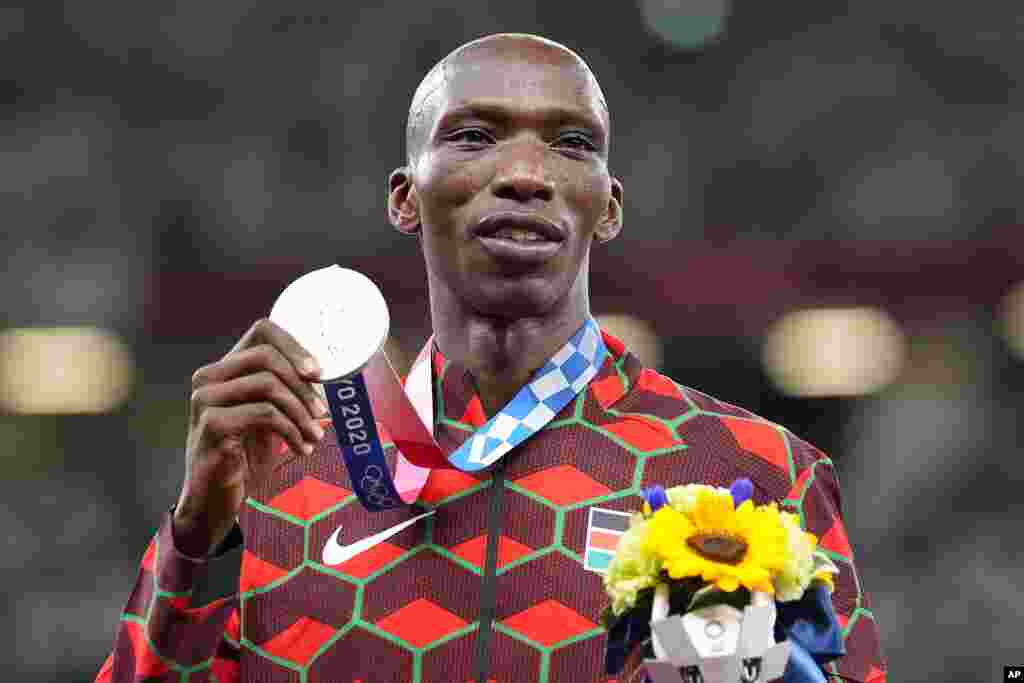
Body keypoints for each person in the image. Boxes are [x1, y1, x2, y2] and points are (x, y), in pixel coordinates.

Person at [96, 33, 886, 683]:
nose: (525, 175)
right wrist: (199, 535)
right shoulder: (280, 470)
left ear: (607, 206)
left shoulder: (752, 470)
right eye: (475, 135)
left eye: (571, 144)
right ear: (406, 197)